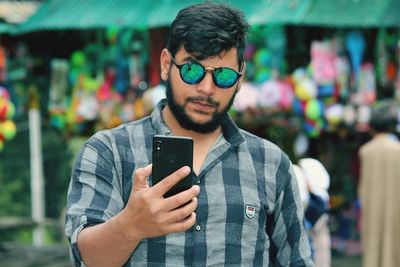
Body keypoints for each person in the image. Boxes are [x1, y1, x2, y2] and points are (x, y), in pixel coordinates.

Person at [65, 3, 313, 266]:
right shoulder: (108, 152)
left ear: (240, 79)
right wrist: (131, 226)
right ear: (165, 65)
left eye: (224, 76)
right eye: (192, 70)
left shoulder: (270, 164)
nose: (206, 89)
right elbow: (85, 260)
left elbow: (296, 260)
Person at [358, 100, 400, 267]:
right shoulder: (398, 150)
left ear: (371, 126)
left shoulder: (366, 151)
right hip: (396, 209)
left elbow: (363, 189)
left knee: (374, 249)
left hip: (372, 210)